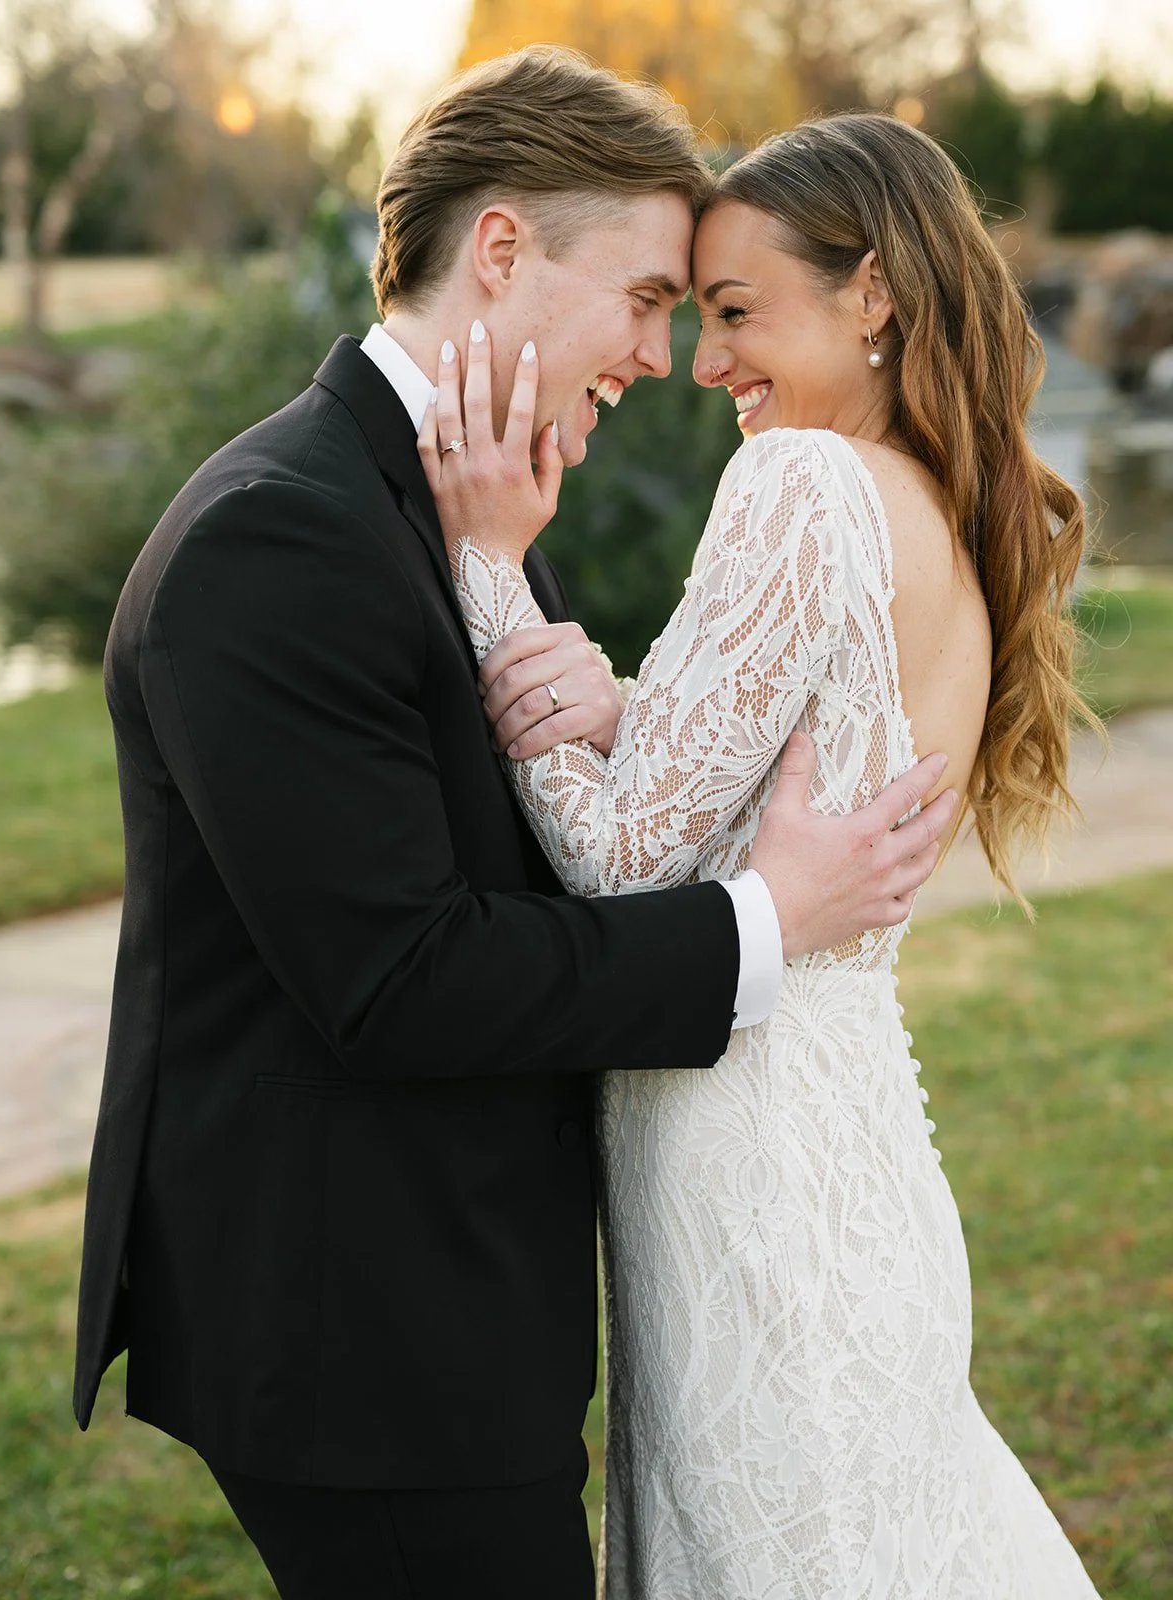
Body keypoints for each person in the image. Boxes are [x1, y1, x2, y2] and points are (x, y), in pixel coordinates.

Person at [72, 53, 955, 1600]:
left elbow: (543, 819)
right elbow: (400, 976)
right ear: (500, 251)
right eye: (645, 297)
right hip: (365, 1336)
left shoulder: (478, 499)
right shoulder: (280, 530)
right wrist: (768, 919)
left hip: (463, 1304)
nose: (660, 353)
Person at [422, 112, 1100, 1595]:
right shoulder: (937, 509)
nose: (708, 363)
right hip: (847, 1153)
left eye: (737, 314)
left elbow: (616, 867)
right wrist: (620, 700)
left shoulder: (799, 485)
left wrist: (484, 575)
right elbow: (736, 775)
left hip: (755, 1180)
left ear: (873, 295)